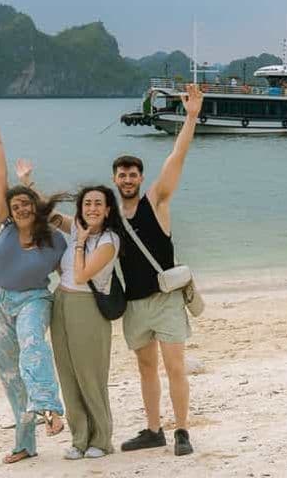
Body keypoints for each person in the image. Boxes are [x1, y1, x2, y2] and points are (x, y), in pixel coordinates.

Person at [114, 84, 204, 456]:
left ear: (140, 178)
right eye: (122, 174)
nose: (128, 179)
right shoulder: (111, 218)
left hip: (166, 299)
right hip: (134, 304)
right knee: (146, 368)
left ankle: (182, 429)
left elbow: (177, 156)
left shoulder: (157, 202)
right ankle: (154, 429)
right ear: (115, 180)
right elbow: (76, 230)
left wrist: (192, 116)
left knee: (175, 366)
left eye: (133, 173)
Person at [0, 120, 67, 464]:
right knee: (10, 374)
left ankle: (51, 412)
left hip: (33, 299)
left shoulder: (56, 240)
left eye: (27, 203)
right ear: (10, 211)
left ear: (36, 206)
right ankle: (26, 443)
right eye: (16, 206)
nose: (22, 209)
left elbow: (71, 276)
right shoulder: (6, 227)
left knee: (32, 346)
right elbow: (0, 181)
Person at [50, 186, 123, 460]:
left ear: (107, 210)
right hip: (61, 303)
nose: (91, 208)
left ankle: (101, 439)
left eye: (97, 204)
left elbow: (81, 276)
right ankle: (79, 438)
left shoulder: (109, 240)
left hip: (88, 307)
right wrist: (28, 182)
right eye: (87, 203)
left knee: (90, 375)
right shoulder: (74, 229)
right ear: (80, 209)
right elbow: (49, 215)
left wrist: (80, 242)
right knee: (68, 374)